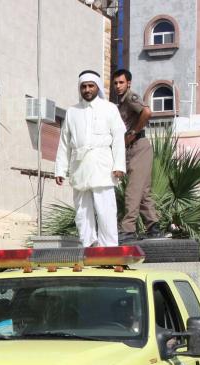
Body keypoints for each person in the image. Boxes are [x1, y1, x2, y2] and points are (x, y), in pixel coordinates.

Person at [55, 70, 126, 247]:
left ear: (97, 87)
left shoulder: (110, 109)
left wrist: (119, 165)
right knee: (82, 210)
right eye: (84, 86)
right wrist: (60, 169)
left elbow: (118, 139)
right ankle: (88, 244)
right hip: (79, 166)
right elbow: (64, 143)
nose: (87, 90)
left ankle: (109, 246)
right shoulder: (72, 112)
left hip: (103, 165)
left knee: (105, 209)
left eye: (90, 86)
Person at [112, 68, 162, 242]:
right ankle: (153, 227)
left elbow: (147, 112)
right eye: (116, 83)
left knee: (133, 190)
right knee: (143, 192)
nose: (118, 86)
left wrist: (134, 131)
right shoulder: (121, 103)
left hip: (139, 146)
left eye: (121, 82)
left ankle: (128, 229)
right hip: (132, 149)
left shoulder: (131, 98)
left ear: (129, 83)